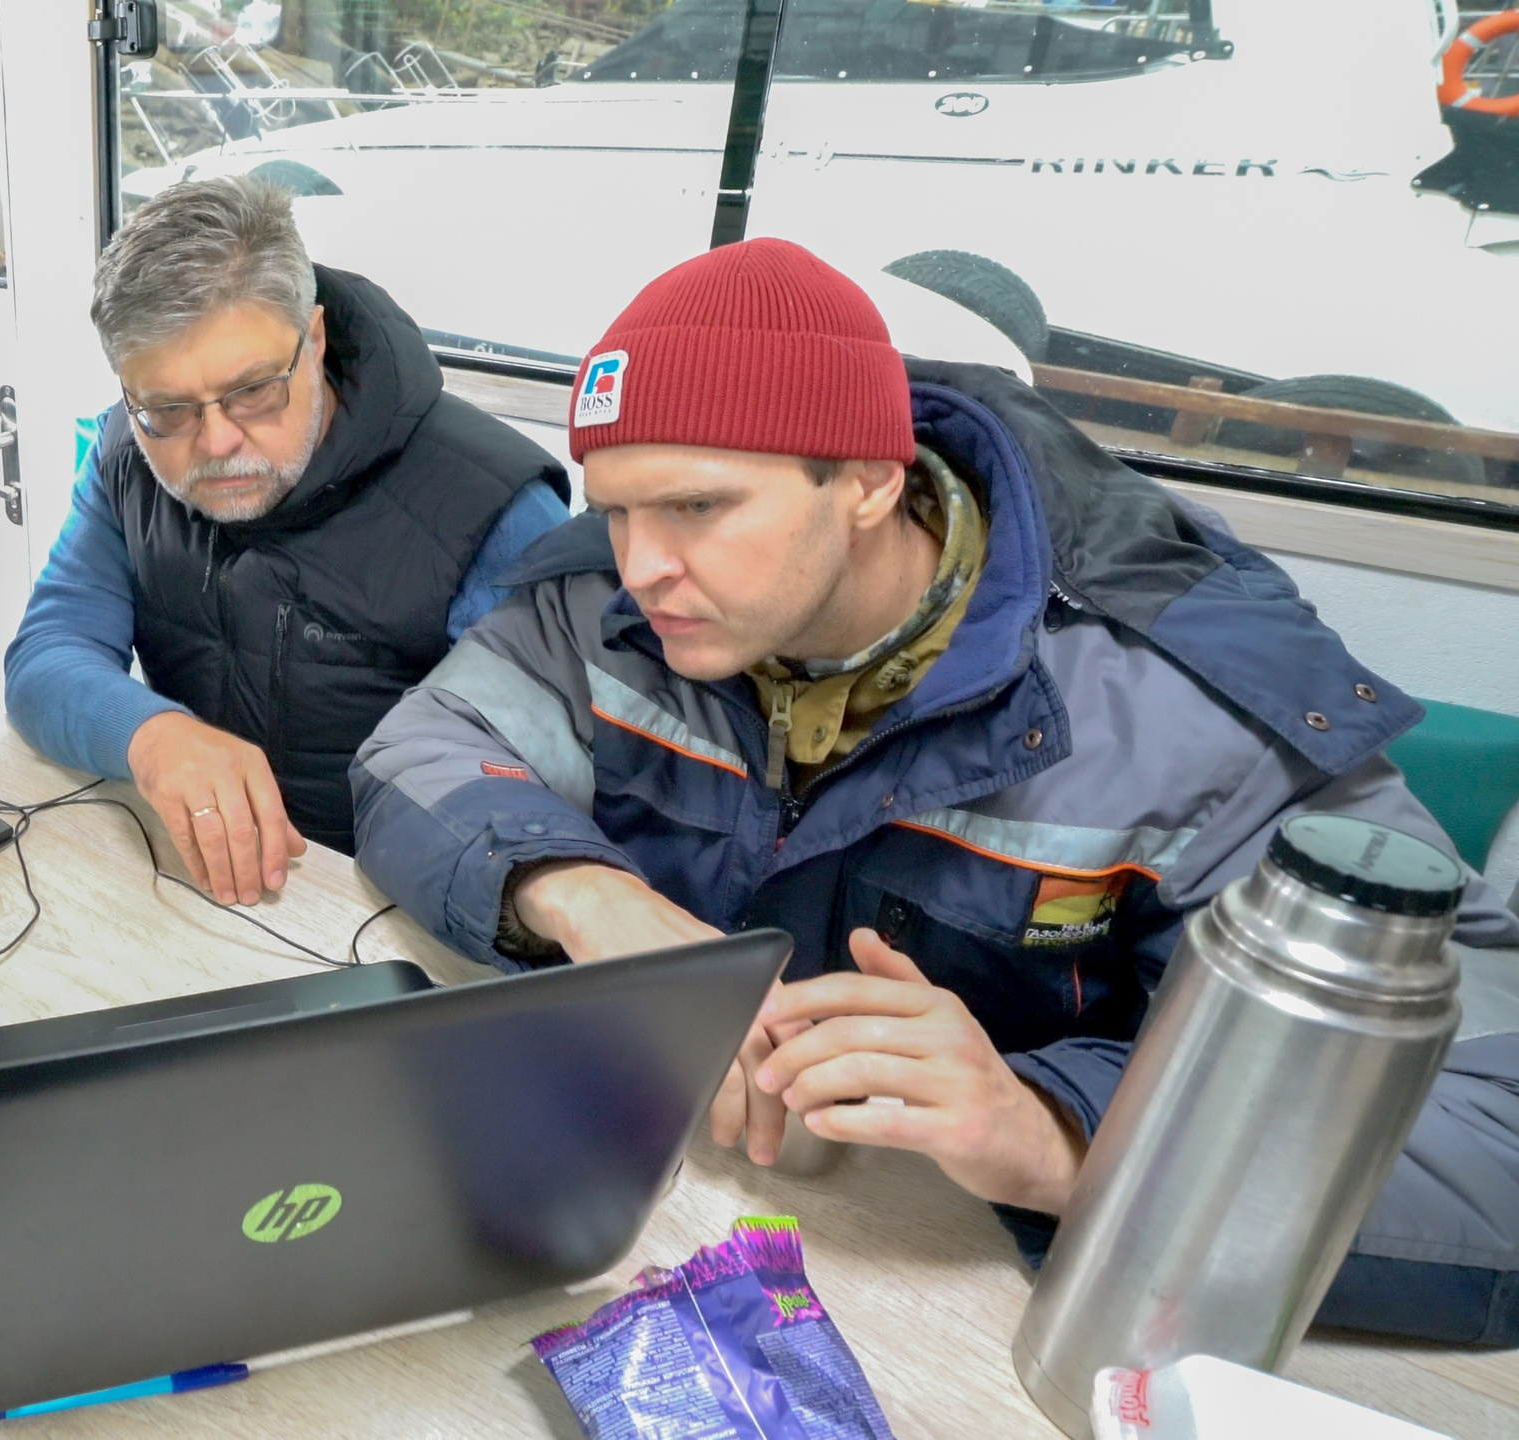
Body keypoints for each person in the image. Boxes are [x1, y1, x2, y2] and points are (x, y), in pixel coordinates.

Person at [350, 238, 1519, 1343]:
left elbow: (1490, 1131)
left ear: (866, 482)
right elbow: (427, 747)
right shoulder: (608, 601)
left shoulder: (1192, 717)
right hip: (668, 1216)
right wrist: (579, 894)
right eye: (614, 506)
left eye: (698, 507)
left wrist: (1054, 1131)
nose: (643, 560)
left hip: (1002, 1301)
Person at [4, 177, 568, 902]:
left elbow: (540, 793)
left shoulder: (493, 504)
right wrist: (153, 736)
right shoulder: (125, 450)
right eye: (167, 408)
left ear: (316, 339)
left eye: (253, 390)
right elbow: (48, 653)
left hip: (406, 907)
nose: (216, 442)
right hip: (194, 884)